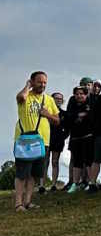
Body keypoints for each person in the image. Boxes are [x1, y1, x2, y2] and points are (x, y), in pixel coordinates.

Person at [13, 72, 60, 211]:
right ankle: (18, 203)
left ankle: (28, 201)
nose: (43, 85)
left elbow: (57, 121)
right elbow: (20, 97)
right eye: (39, 82)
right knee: (22, 173)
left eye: (45, 82)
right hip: (24, 141)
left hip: (42, 142)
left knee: (35, 174)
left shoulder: (49, 100)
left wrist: (47, 114)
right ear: (32, 82)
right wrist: (27, 86)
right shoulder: (25, 96)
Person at [65, 86, 96, 193]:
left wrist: (84, 116)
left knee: (89, 161)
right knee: (76, 161)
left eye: (81, 94)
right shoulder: (72, 104)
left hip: (88, 136)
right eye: (77, 94)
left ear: (86, 94)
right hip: (75, 137)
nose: (79, 96)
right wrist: (78, 115)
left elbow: (92, 118)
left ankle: (91, 183)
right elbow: (68, 117)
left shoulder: (91, 104)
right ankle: (75, 183)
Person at [46, 91, 67, 192]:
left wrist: (63, 137)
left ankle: (53, 184)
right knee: (44, 162)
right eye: (56, 98)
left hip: (58, 140)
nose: (58, 100)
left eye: (60, 99)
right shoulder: (46, 112)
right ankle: (42, 184)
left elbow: (67, 128)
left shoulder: (64, 114)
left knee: (55, 161)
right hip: (46, 139)